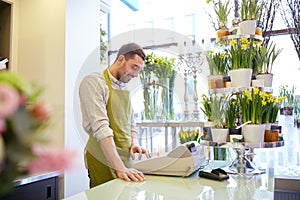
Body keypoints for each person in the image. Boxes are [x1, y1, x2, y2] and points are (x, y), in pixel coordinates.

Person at [79, 42, 151, 187]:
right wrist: (120, 167)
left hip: (125, 159)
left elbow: (131, 123)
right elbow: (101, 128)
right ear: (121, 59)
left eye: (139, 70)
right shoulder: (94, 82)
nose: (136, 75)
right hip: (102, 158)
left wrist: (134, 142)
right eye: (134, 67)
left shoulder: (124, 88)